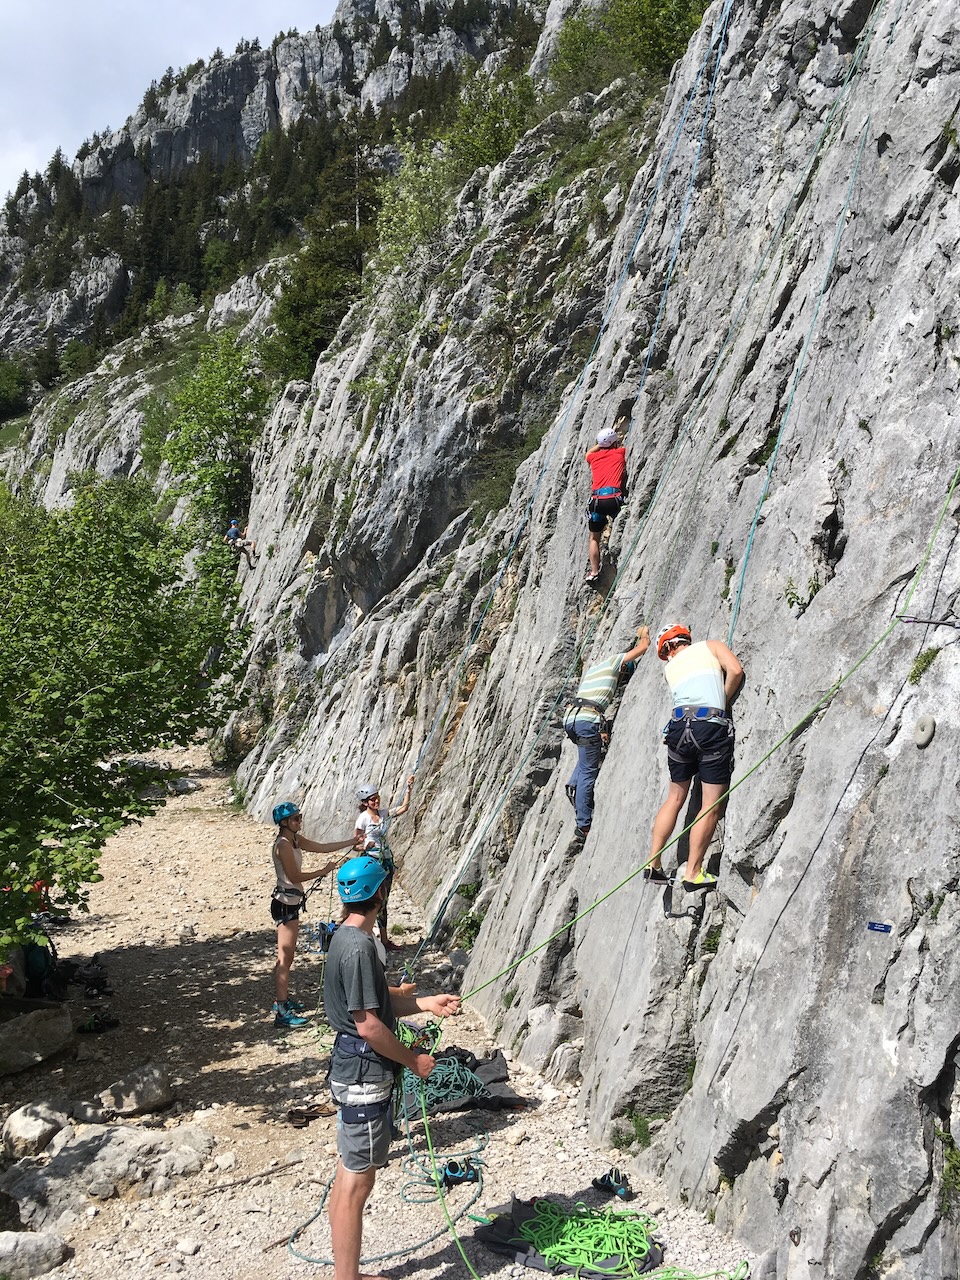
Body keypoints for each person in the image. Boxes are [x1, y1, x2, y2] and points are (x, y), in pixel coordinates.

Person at [325, 856, 460, 1280]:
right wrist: (414, 1060)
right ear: (380, 894)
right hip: (363, 1074)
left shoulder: (344, 938)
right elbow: (368, 1025)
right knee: (357, 1181)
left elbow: (377, 1004)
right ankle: (348, 1278)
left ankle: (346, 1275)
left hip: (353, 1069)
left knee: (349, 1174)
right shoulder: (361, 948)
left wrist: (425, 1002)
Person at [646, 625, 744, 892]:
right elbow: (735, 670)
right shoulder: (711, 646)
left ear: (667, 650)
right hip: (709, 725)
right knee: (710, 805)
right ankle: (692, 872)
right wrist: (722, 701)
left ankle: (653, 864)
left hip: (678, 729)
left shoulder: (670, 669)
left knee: (675, 797)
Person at [270, 800, 360, 1028]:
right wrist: (324, 870)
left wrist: (352, 841)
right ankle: (281, 1010)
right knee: (285, 957)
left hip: (290, 903)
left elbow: (322, 847)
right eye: (296, 819)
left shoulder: (295, 840)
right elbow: (294, 876)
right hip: (285, 904)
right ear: (285, 823)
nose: (300, 821)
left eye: (300, 817)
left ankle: (282, 1000)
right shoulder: (283, 845)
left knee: (287, 956)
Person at [562, 627, 650, 840]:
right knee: (589, 771)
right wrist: (644, 633)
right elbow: (643, 647)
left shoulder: (594, 671)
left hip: (572, 718)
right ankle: (583, 825)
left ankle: (573, 785)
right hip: (585, 719)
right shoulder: (614, 662)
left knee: (585, 760)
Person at [354, 776, 414, 952]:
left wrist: (408, 789)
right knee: (374, 898)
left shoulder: (383, 814)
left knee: (384, 899)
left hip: (385, 859)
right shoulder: (363, 819)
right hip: (371, 859)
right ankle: (368, 936)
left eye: (377, 797)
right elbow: (355, 843)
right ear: (365, 802)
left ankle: (384, 939)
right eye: (373, 799)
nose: (376, 800)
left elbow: (403, 808)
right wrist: (366, 844)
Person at [584, 423, 627, 586]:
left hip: (597, 502)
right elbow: (619, 447)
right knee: (621, 521)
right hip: (615, 498)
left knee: (594, 538)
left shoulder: (593, 457)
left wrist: (600, 444)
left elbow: (588, 452)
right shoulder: (620, 453)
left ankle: (594, 572)